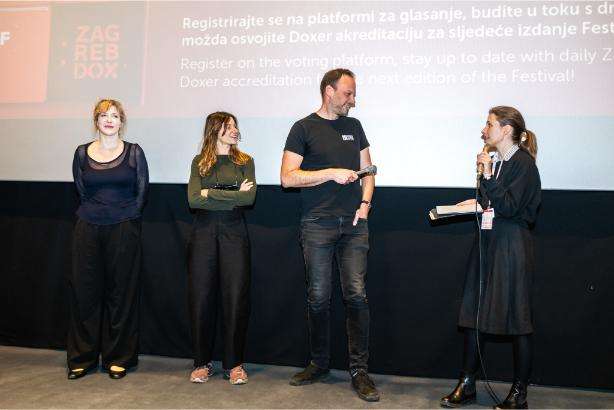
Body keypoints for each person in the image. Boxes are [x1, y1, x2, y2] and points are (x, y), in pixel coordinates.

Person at [281, 68, 378, 402]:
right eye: (348, 94)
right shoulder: (303, 128)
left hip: (354, 224)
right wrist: (330, 173)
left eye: (353, 94)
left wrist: (365, 204)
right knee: (318, 297)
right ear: (329, 91)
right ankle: (319, 363)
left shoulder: (355, 127)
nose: (353, 100)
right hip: (317, 224)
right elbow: (287, 178)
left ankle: (359, 371)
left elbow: (369, 171)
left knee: (356, 295)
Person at [440, 106, 541, 409]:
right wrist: (469, 203)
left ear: (506, 130)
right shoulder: (497, 164)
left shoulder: (523, 164)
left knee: (517, 318)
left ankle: (519, 393)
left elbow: (509, 207)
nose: (483, 130)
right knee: (474, 314)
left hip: (511, 248)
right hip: (488, 243)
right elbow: (492, 204)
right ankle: (467, 383)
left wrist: (486, 175)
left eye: (489, 124)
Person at [68, 99, 149, 380]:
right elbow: (81, 190)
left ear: (121, 122)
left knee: (121, 294)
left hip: (124, 227)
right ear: (96, 121)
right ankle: (82, 358)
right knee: (85, 293)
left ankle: (118, 358)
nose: (109, 120)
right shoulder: (81, 153)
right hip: (87, 227)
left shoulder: (134, 152)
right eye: (104, 115)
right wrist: (97, 213)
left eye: (115, 115)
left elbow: (142, 193)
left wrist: (124, 215)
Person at [187, 112, 256, 385]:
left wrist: (211, 192)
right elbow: (194, 200)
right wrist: (233, 194)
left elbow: (248, 199)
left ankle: (234, 364)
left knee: (236, 298)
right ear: (215, 130)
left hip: (235, 234)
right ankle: (201, 363)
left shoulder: (245, 161)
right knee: (201, 298)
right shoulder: (199, 162)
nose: (235, 130)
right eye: (229, 127)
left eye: (236, 126)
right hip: (203, 234)